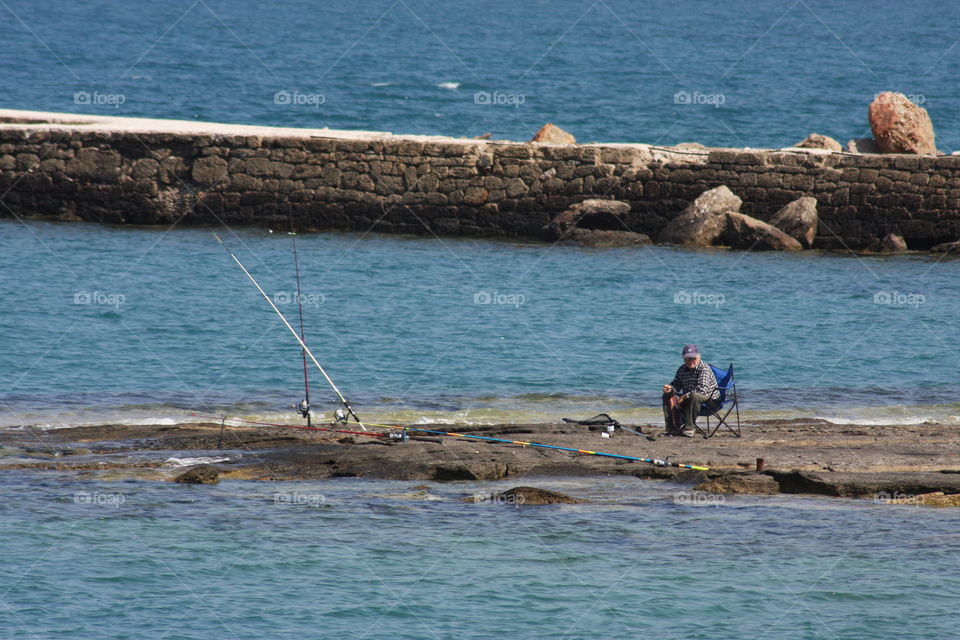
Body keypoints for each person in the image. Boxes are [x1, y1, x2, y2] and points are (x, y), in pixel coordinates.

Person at [661, 344, 719, 437]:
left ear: (698, 357)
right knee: (667, 395)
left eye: (693, 358)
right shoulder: (682, 368)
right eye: (688, 358)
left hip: (710, 401)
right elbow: (677, 384)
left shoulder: (704, 369)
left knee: (694, 395)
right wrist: (670, 388)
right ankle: (672, 428)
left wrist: (684, 396)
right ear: (684, 359)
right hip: (690, 399)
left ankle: (689, 428)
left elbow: (702, 390)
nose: (691, 361)